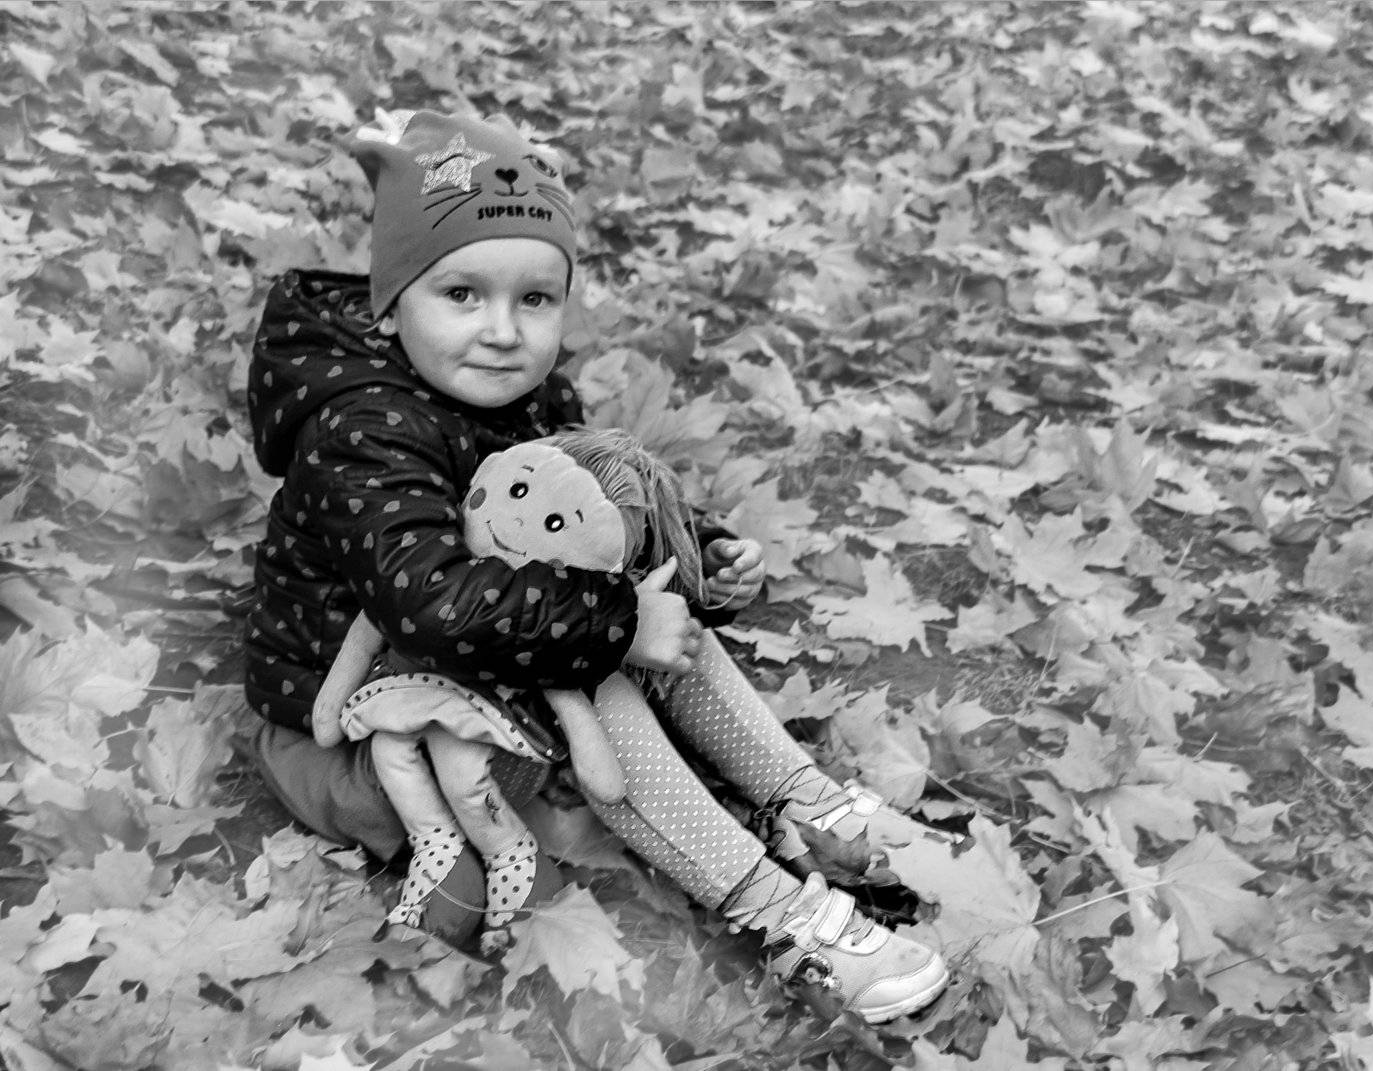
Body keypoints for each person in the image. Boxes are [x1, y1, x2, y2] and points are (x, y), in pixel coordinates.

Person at [243, 108, 951, 1023]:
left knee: (649, 618)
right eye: (461, 294)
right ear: (391, 301)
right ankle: (780, 913)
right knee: (598, 669)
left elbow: (589, 521)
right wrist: (618, 625)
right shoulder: (361, 430)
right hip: (366, 743)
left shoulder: (527, 396)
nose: (503, 331)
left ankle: (809, 806)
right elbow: (433, 603)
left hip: (464, 668)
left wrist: (695, 558)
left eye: (535, 299)